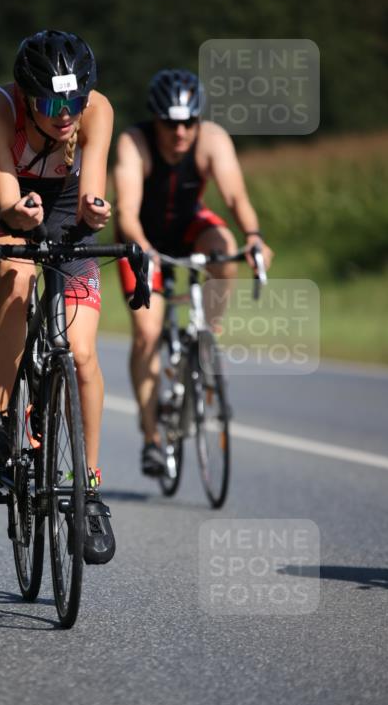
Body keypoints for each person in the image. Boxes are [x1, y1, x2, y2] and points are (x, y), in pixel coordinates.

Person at [0, 30, 117, 563]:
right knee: (17, 274)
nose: (66, 113)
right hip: (4, 203)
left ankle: (89, 490)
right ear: (28, 94)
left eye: (74, 101)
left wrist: (95, 212)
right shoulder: (0, 107)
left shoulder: (97, 110)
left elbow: (92, 190)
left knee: (80, 354)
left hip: (64, 206)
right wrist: (18, 220)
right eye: (53, 103)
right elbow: (7, 199)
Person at [114, 68, 274, 477]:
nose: (181, 131)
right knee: (148, 334)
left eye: (189, 121)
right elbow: (127, 212)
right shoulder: (135, 143)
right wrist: (144, 250)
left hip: (187, 228)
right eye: (170, 122)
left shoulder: (212, 140)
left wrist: (253, 237)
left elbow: (235, 194)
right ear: (156, 119)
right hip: (143, 237)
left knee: (224, 247)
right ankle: (152, 438)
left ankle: (207, 338)